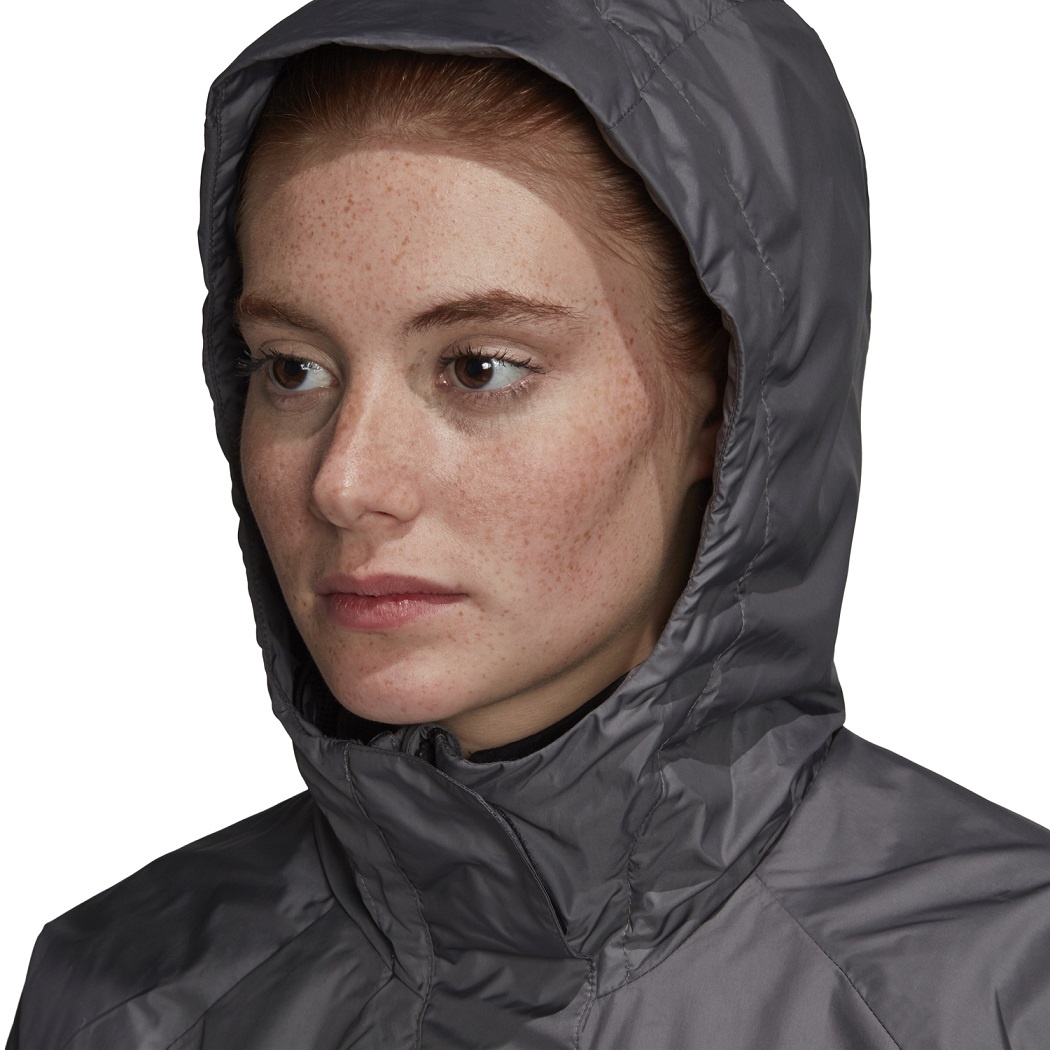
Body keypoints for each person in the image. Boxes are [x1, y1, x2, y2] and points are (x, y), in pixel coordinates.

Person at [8, 0, 1049, 1047]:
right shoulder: (120, 999)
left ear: (728, 403)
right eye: (293, 369)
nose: (345, 482)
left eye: (478, 369)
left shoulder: (1000, 998)